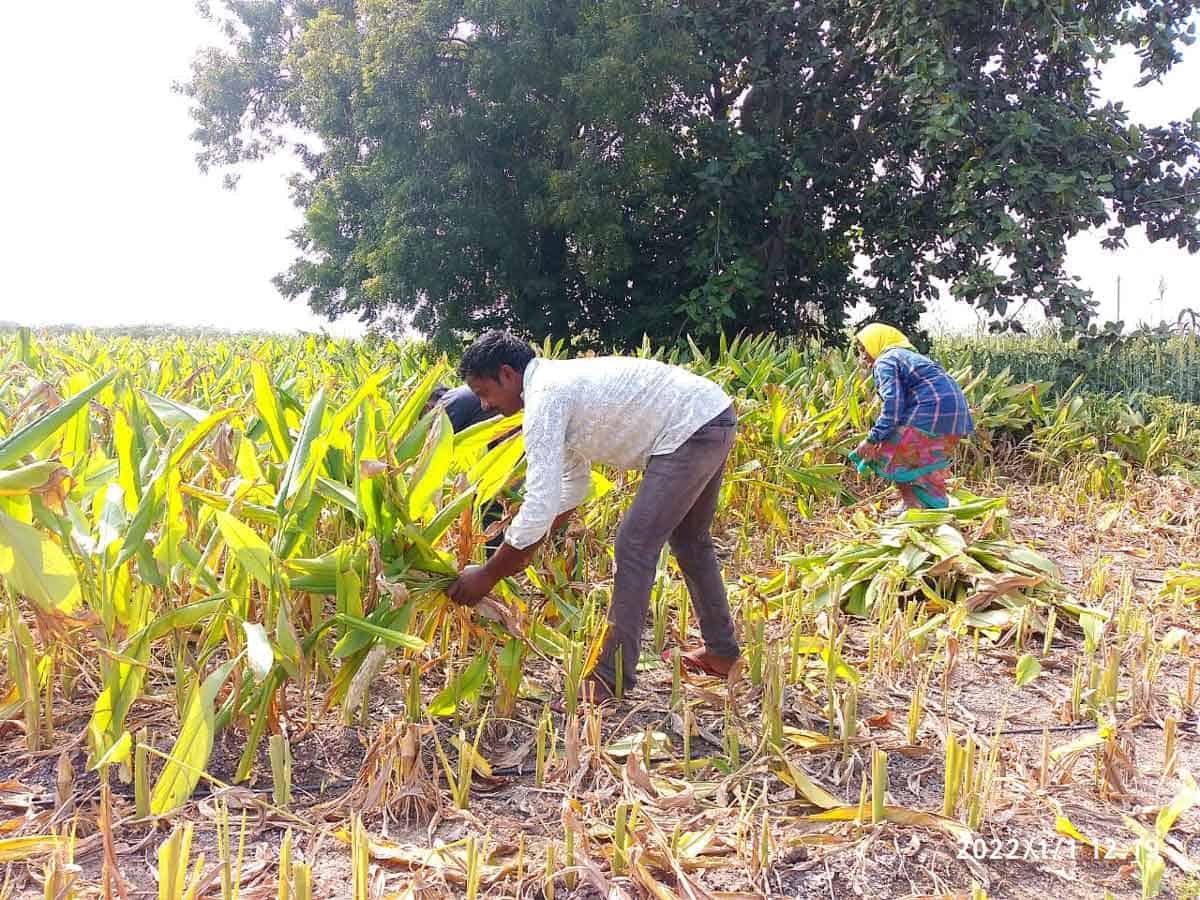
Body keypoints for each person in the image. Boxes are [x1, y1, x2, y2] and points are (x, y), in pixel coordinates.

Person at [446, 331, 741, 704]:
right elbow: (575, 485)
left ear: (507, 374)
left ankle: (609, 678)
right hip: (710, 413)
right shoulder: (554, 388)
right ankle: (721, 652)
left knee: (634, 544)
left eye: (484, 392)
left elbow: (540, 501)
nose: (485, 405)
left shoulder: (545, 397)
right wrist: (528, 546)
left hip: (691, 427)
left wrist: (489, 573)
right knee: (690, 540)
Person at [853, 323, 974, 510]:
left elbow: (893, 405)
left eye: (864, 349)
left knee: (885, 451)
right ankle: (934, 505)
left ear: (876, 343)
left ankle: (913, 503)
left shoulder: (885, 361)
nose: (863, 356)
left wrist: (872, 439)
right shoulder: (912, 357)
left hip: (930, 412)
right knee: (926, 460)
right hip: (958, 417)